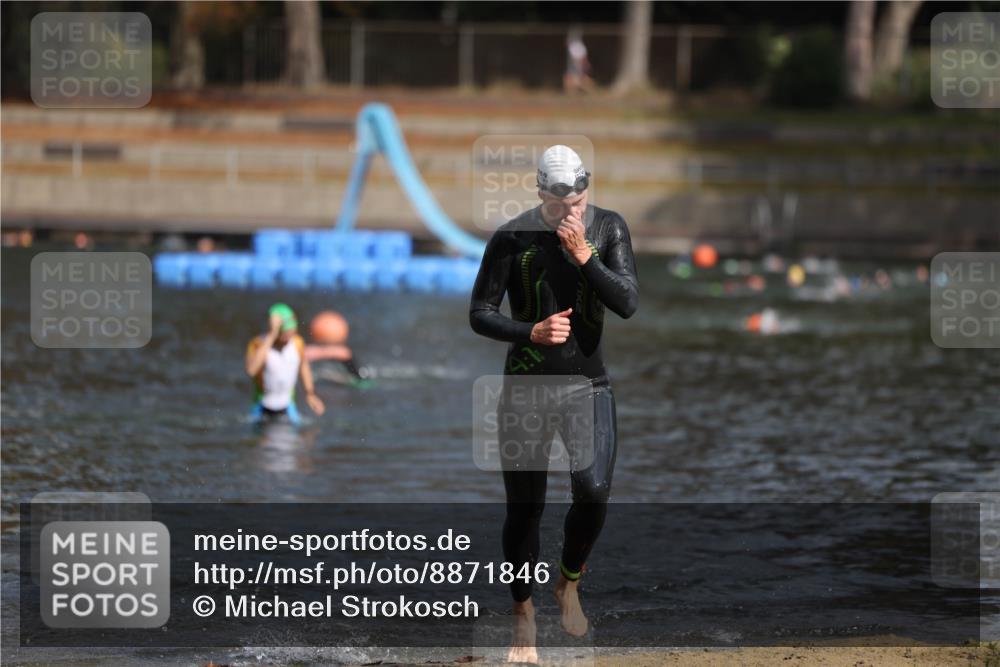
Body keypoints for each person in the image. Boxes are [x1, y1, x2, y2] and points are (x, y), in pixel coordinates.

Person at [469, 145, 638, 663]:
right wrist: (530, 331)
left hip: (589, 386)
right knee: (525, 509)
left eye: (581, 191)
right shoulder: (513, 237)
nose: (573, 204)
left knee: (594, 490)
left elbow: (628, 302)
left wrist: (586, 257)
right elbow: (479, 312)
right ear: (541, 191)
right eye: (562, 194)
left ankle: (568, 583)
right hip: (525, 390)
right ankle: (524, 617)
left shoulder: (608, 229)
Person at [246, 303, 325, 425]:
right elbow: (251, 370)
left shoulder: (298, 343)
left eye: (291, 334)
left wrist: (310, 393)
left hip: (288, 405)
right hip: (262, 405)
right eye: (284, 336)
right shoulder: (258, 344)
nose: (288, 339)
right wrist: (271, 336)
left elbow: (303, 367)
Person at [564, 28, 594, 94]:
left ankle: (586, 88)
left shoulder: (575, 47)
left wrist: (583, 64)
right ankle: (575, 90)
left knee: (577, 79)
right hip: (577, 65)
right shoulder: (576, 46)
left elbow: (581, 57)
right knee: (573, 78)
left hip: (578, 65)